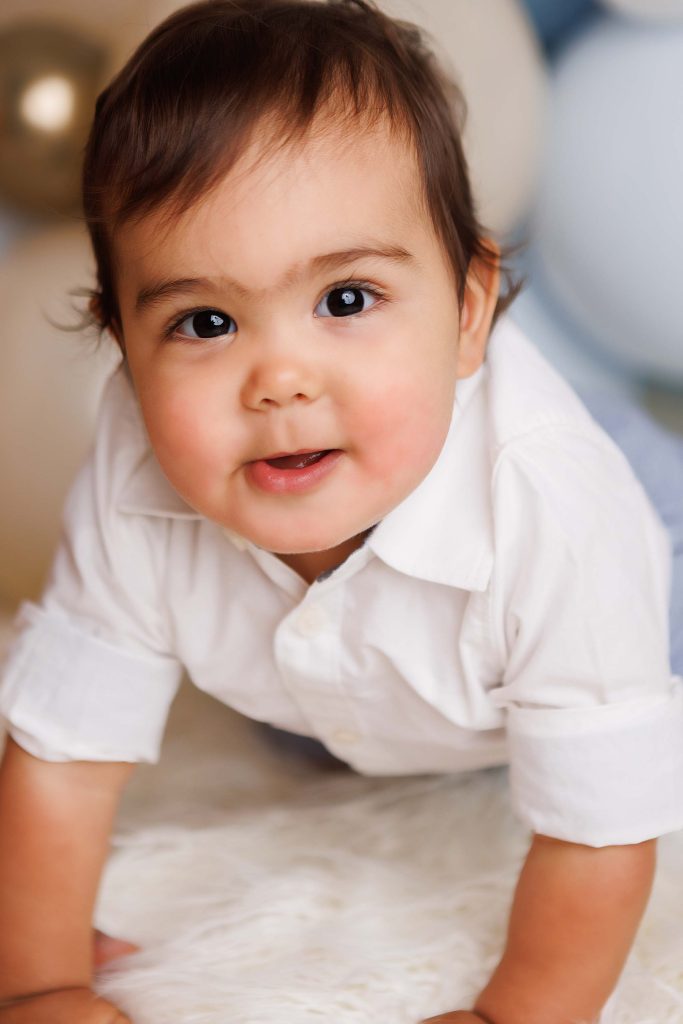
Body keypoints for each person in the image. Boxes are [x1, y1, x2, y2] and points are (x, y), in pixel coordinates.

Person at [0, 1, 681, 1021]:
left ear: (466, 310)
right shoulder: (138, 464)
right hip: (380, 686)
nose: (277, 379)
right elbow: (62, 754)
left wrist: (517, 1010)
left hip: (645, 569)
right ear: (124, 352)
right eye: (205, 321)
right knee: (297, 724)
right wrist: (39, 977)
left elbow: (599, 827)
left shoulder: (553, 512)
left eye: (345, 300)